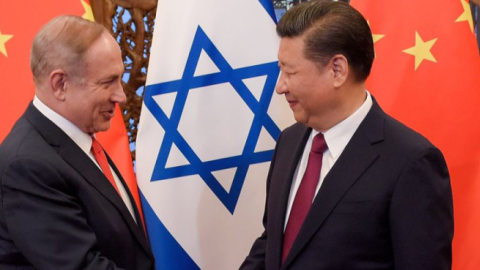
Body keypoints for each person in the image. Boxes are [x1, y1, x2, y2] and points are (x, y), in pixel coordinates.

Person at [241, 1, 453, 269]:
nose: (280, 86)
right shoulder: (288, 141)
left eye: (290, 72)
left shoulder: (411, 162)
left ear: (337, 70)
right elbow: (274, 243)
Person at [0, 15, 155, 269]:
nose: (121, 96)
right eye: (108, 82)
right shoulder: (28, 166)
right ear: (60, 84)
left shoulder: (77, 140)